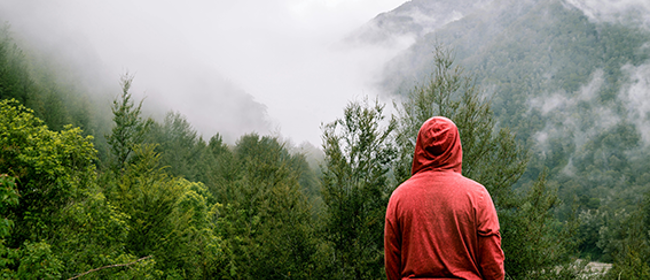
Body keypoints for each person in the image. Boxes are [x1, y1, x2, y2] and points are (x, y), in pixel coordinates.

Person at [384, 116, 505, 280]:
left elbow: (392, 262)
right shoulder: (477, 195)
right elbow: (492, 260)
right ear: (456, 146)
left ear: (420, 146)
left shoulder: (399, 196)